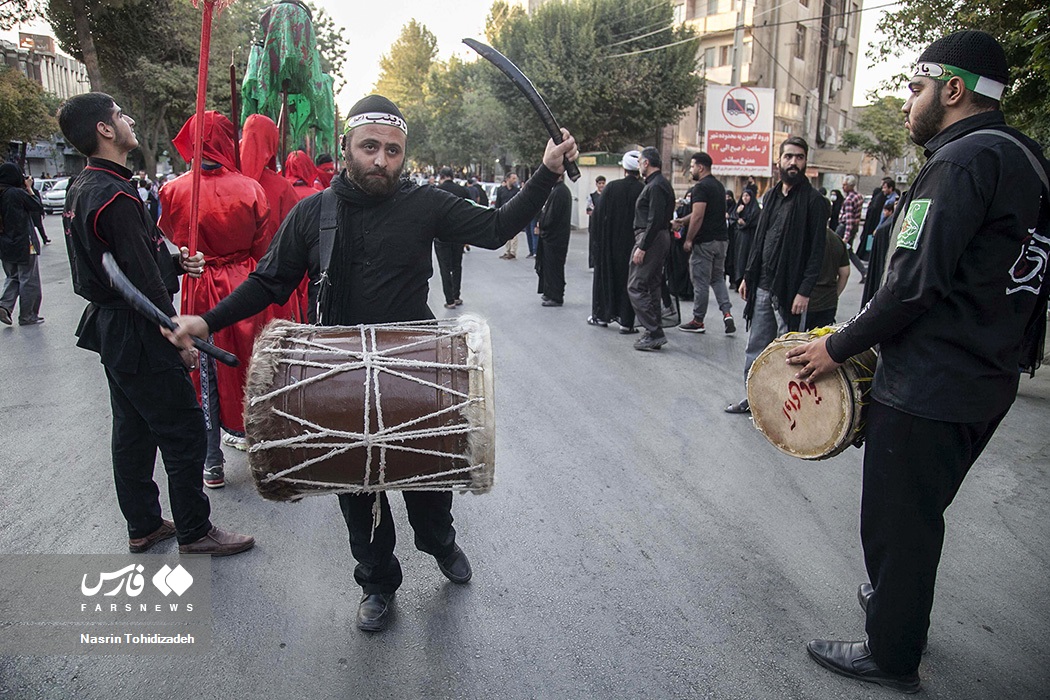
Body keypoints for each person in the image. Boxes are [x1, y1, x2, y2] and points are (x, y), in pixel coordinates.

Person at [166, 94, 577, 632]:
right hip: (339, 381)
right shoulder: (314, 213)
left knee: (429, 489)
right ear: (347, 147)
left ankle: (439, 543)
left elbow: (497, 227)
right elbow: (269, 281)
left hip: (417, 372)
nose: (381, 160)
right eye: (370, 147)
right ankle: (377, 582)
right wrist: (208, 320)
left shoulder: (425, 204)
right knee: (358, 498)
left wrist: (546, 174)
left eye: (392, 150)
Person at [786, 31, 1050, 694]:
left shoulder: (960, 161)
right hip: (986, 380)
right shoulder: (1029, 160)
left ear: (952, 89)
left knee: (899, 522)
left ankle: (891, 652)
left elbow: (912, 283)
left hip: (931, 382)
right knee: (919, 513)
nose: (909, 102)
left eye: (914, 88)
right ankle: (894, 607)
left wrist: (835, 346)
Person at [56, 92, 254, 556]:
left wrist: (174, 261)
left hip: (114, 328)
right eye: (120, 116)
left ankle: (143, 523)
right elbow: (142, 283)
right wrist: (176, 335)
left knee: (132, 430)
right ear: (105, 130)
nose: (128, 121)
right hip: (141, 329)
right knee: (184, 430)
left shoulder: (86, 186)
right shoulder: (115, 195)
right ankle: (194, 529)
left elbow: (133, 259)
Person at [158, 111, 272, 489]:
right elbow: (261, 242)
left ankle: (212, 460)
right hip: (242, 285)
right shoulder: (251, 188)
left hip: (199, 282)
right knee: (251, 367)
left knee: (204, 373)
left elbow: (175, 235)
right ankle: (264, 454)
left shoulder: (173, 190)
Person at [725, 136, 828, 413]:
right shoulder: (769, 196)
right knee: (756, 344)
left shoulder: (815, 202)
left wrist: (804, 290)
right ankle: (753, 398)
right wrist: (748, 275)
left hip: (791, 290)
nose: (793, 162)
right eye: (788, 157)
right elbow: (759, 241)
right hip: (764, 285)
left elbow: (816, 252)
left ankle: (783, 406)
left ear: (805, 162)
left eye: (799, 157)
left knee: (789, 351)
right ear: (779, 161)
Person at [675, 152, 733, 334]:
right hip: (722, 241)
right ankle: (727, 313)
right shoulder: (718, 186)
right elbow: (700, 213)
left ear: (701, 167)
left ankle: (698, 320)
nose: (691, 170)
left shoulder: (700, 188)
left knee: (700, 282)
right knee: (717, 279)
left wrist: (689, 238)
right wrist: (683, 221)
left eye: (692, 166)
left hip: (705, 242)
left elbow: (699, 215)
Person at [589, 151, 643, 330]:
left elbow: (597, 216)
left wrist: (597, 242)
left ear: (624, 168)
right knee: (629, 281)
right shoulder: (643, 189)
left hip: (610, 244)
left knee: (606, 277)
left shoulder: (611, 188)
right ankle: (627, 322)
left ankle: (602, 316)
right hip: (634, 244)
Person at [628, 147, 675, 351]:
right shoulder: (660, 184)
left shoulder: (655, 186)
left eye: (640, 161)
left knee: (635, 286)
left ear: (646, 163)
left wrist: (643, 247)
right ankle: (653, 331)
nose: (639, 165)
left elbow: (654, 219)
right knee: (653, 284)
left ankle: (654, 331)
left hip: (651, 238)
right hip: (658, 237)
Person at [0, 164, 45, 326]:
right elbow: (37, 206)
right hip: (24, 243)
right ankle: (28, 315)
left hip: (5, 245)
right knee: (29, 279)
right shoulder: (16, 193)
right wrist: (29, 188)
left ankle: (4, 306)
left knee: (13, 277)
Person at [434, 166, 470, 309]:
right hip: (458, 234)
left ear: (441, 176)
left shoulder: (436, 191)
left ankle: (449, 300)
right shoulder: (462, 190)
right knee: (457, 266)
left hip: (441, 235)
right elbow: (470, 210)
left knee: (444, 268)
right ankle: (456, 295)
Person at [535, 174, 572, 306]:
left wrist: (542, 224)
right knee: (549, 266)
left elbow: (552, 215)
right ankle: (549, 292)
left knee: (554, 267)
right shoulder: (557, 190)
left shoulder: (560, 192)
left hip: (555, 238)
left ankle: (555, 296)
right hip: (553, 237)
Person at [804, 227, 850, 329]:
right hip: (828, 301)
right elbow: (845, 273)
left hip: (805, 301)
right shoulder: (837, 240)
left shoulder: (805, 237)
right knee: (820, 339)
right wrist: (836, 294)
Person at [838, 175, 867, 278]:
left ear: (851, 186)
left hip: (845, 227)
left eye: (845, 185)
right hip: (853, 227)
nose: (843, 187)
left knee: (836, 249)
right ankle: (863, 271)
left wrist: (846, 236)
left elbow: (849, 219)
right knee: (848, 251)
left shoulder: (849, 200)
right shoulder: (858, 196)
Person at [731, 189, 760, 288]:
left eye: (747, 196)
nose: (745, 198)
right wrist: (737, 213)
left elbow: (755, 221)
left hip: (749, 237)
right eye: (743, 196)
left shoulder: (755, 209)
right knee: (738, 259)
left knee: (746, 258)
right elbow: (733, 219)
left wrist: (745, 223)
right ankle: (737, 281)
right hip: (739, 238)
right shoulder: (739, 207)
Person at [495, 173, 521, 259]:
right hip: (503, 213)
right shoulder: (501, 190)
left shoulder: (517, 191)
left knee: (514, 233)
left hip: (514, 214)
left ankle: (513, 252)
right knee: (505, 233)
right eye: (513, 178)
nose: (515, 180)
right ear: (508, 179)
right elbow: (498, 202)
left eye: (515, 179)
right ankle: (507, 251)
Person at [586, 175, 606, 269]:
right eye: (600, 183)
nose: (601, 185)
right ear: (596, 184)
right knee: (594, 243)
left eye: (603, 183)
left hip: (604, 223)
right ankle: (594, 262)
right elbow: (589, 210)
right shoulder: (592, 196)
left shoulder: (607, 195)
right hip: (594, 223)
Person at [26, 175, 50, 244]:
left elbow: (38, 202)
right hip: (29, 212)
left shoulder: (35, 191)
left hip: (35, 212)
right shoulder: (24, 191)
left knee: (39, 226)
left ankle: (44, 238)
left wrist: (42, 211)